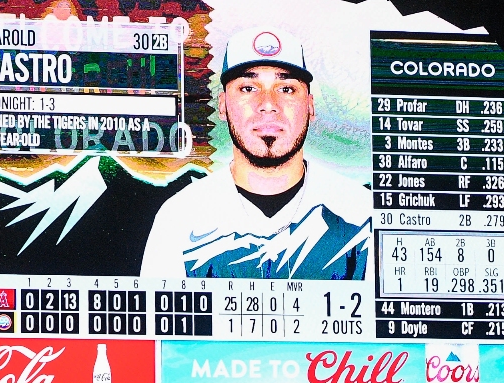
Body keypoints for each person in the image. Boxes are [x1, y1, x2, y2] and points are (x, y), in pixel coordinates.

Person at [140, 27, 371, 279]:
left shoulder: (361, 213)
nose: (269, 104)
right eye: (248, 88)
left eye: (286, 89)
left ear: (310, 106)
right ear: (223, 106)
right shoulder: (180, 217)